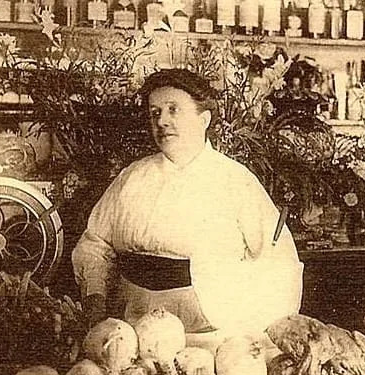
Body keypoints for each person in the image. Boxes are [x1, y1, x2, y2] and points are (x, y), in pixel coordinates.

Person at [71, 68, 303, 342]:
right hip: (130, 327)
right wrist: (95, 297)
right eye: (155, 113)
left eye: (173, 110)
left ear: (203, 119)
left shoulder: (235, 180)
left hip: (208, 332)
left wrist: (251, 327)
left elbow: (279, 263)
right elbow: (94, 244)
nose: (162, 121)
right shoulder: (132, 177)